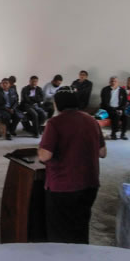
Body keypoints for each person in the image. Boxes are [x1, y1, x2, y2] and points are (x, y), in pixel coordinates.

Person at [38, 87, 106, 244]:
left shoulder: (55, 123)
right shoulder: (91, 121)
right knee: (80, 227)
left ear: (57, 104)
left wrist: (40, 148)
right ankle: (81, 257)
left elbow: (44, 155)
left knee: (60, 233)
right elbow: (102, 152)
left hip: (63, 186)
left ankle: (62, 259)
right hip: (89, 184)